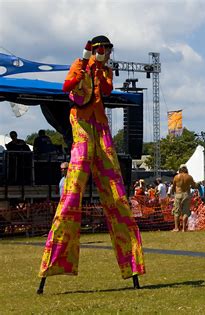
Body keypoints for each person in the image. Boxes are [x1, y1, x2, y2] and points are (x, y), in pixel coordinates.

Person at [37, 36, 145, 294]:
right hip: (83, 125)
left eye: (107, 51)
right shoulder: (79, 63)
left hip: (101, 127)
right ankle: (53, 265)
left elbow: (106, 91)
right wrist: (85, 66)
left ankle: (132, 265)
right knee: (72, 194)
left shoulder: (105, 69)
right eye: (103, 50)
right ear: (95, 49)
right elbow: (67, 87)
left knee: (117, 196)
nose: (106, 54)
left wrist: (101, 70)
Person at [172, 164, 196, 232]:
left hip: (178, 194)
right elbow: (194, 186)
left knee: (176, 212)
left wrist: (172, 194)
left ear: (180, 169)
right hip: (186, 194)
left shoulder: (176, 177)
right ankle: (184, 228)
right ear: (186, 169)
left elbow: (173, 187)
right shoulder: (189, 177)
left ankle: (176, 228)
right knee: (185, 212)